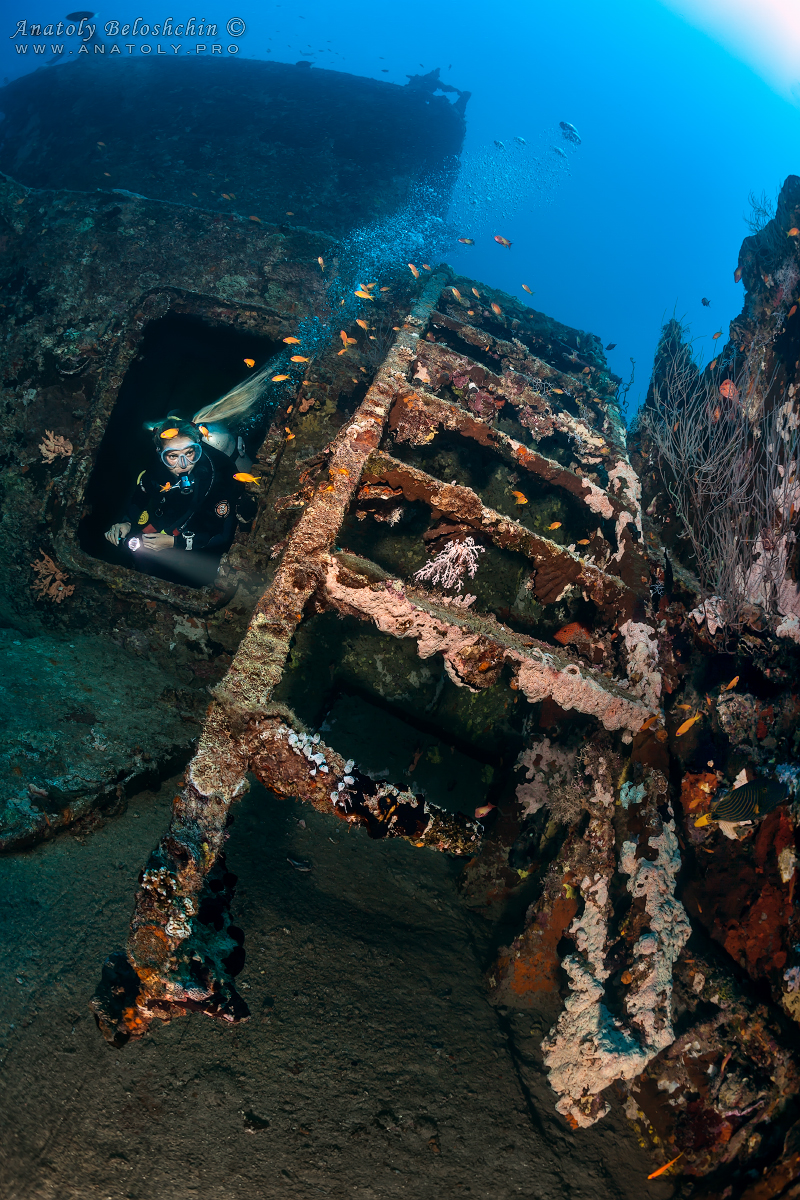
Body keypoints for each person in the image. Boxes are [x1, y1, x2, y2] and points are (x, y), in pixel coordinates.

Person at [105, 418, 257, 587]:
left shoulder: (220, 474)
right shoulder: (157, 466)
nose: (183, 465)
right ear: (159, 453)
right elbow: (143, 492)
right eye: (173, 456)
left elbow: (222, 535)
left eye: (190, 453)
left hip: (203, 537)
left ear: (197, 448)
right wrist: (126, 521)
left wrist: (174, 543)